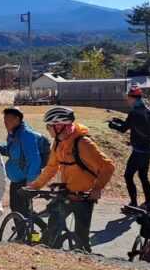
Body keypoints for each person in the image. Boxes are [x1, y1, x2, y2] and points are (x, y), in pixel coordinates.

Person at [27, 107, 115, 253]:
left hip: (83, 198)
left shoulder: (83, 144)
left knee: (81, 241)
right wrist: (35, 186)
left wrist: (97, 188)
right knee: (52, 231)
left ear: (60, 126)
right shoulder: (57, 143)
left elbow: (108, 166)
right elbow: (51, 168)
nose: (48, 129)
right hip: (65, 194)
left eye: (49, 126)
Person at [0, 107, 49, 219]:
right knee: (19, 209)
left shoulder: (26, 135)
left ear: (17, 119)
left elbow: (34, 159)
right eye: (4, 119)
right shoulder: (13, 134)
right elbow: (14, 152)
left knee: (22, 211)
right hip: (17, 180)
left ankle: (26, 234)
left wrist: (30, 183)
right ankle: (30, 232)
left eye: (8, 119)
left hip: (25, 181)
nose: (5, 122)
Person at [108, 85, 150, 206]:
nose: (127, 100)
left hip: (138, 151)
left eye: (128, 98)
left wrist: (112, 125)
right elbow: (132, 125)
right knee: (143, 177)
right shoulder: (148, 111)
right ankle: (148, 202)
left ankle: (133, 203)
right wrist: (118, 120)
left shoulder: (134, 112)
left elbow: (124, 129)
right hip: (148, 150)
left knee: (128, 176)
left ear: (133, 98)